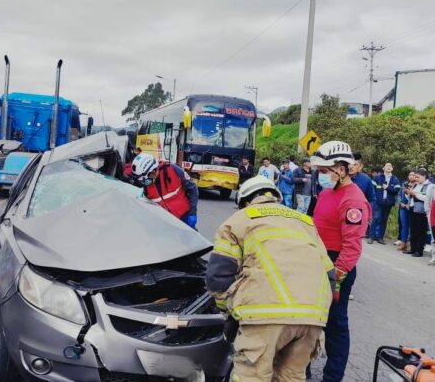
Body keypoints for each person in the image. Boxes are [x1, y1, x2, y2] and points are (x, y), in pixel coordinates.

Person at [206, 175, 334, 381]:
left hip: (264, 316)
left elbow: (218, 277)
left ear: (245, 201)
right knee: (292, 376)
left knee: (252, 376)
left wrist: (228, 312)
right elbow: (330, 275)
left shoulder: (238, 220)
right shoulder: (305, 222)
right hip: (312, 317)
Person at [310, 141, 371, 382]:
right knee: (311, 319)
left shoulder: (353, 200)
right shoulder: (327, 192)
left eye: (325, 171)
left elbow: (352, 245)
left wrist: (337, 274)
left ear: (342, 169)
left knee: (335, 324)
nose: (321, 175)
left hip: (336, 265)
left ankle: (332, 377)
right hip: (317, 259)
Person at [131, 153, 199, 228]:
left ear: (153, 171)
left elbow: (192, 189)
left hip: (185, 217)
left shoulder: (173, 170)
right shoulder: (145, 187)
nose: (143, 183)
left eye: (144, 180)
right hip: (165, 222)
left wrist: (192, 213)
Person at [369, 163, 400, 245]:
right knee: (376, 218)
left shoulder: (395, 179)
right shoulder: (377, 177)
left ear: (392, 168)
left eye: (390, 166)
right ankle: (371, 237)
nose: (389, 167)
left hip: (388, 203)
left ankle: (380, 237)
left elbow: (396, 190)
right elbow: (372, 189)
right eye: (387, 166)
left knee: (384, 220)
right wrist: (375, 199)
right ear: (383, 168)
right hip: (378, 202)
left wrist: (387, 188)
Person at [404, 169, 431, 257]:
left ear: (424, 176)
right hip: (412, 208)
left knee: (420, 230)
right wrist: (408, 193)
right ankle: (413, 248)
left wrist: (415, 194)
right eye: (415, 177)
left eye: (418, 177)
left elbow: (427, 198)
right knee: (413, 230)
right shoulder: (416, 184)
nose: (416, 179)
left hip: (421, 210)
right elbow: (410, 196)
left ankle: (419, 250)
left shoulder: (429, 186)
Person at [396, 171, 416, 251]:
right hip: (403, 207)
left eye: (414, 175)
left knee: (412, 226)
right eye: (410, 175)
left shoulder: (417, 185)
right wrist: (400, 203)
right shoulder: (404, 184)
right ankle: (403, 243)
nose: (411, 176)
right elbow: (399, 195)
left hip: (412, 208)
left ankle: (410, 243)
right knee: (404, 226)